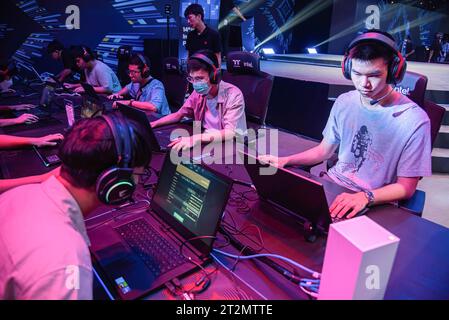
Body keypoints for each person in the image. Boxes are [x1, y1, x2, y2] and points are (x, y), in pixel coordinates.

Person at [260, 30, 431, 220]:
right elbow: (323, 151)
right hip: (333, 185)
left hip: (373, 202)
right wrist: (285, 160)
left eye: (374, 75)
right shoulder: (344, 102)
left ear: (393, 72)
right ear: (348, 68)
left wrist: (365, 197)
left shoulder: (415, 120)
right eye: (357, 74)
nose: (364, 84)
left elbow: (406, 188)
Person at [0, 114, 152, 299]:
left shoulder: (19, 194)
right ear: (116, 181)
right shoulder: (66, 263)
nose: (137, 183)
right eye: (139, 174)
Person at [150, 49, 246, 152]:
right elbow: (179, 115)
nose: (195, 84)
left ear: (214, 76)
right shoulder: (198, 93)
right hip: (206, 141)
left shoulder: (234, 95)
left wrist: (196, 138)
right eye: (192, 79)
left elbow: (230, 133)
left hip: (229, 146)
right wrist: (152, 124)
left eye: (200, 78)